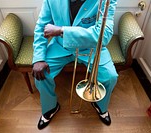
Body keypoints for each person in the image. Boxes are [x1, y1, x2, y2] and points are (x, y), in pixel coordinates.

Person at [32, 0, 118, 130]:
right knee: (41, 74)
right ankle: (50, 107)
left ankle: (100, 104)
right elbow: (41, 27)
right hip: (60, 46)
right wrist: (38, 58)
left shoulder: (106, 1)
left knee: (110, 77)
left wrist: (62, 30)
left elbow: (104, 35)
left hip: (91, 47)